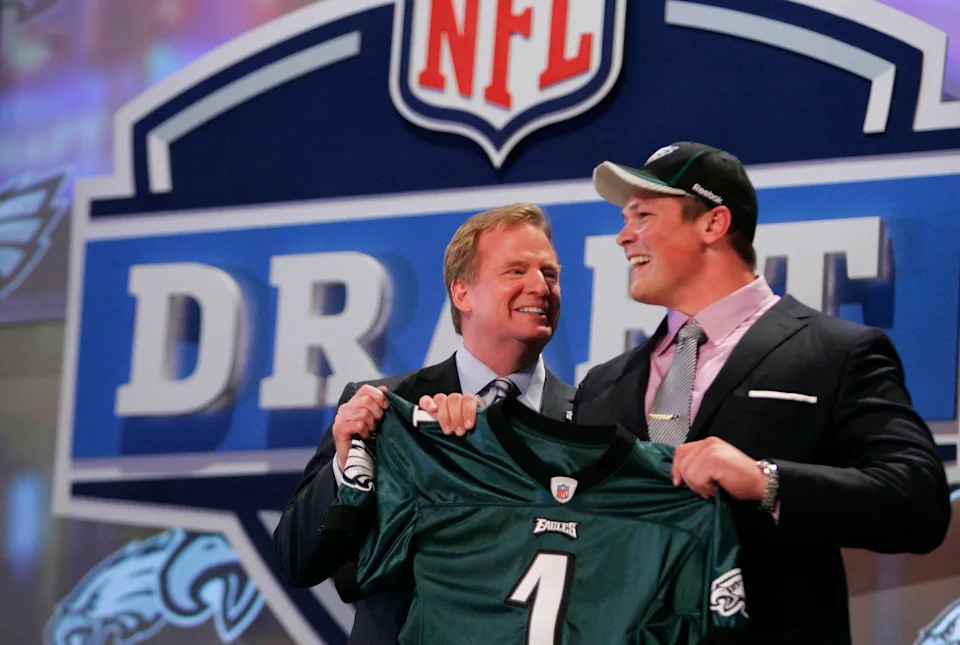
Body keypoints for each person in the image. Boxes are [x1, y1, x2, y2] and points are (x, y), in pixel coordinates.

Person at [572, 141, 951, 643]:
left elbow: (918, 503)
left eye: (643, 215)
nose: (623, 236)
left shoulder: (837, 353)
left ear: (713, 223)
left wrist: (765, 481)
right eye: (625, 218)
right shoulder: (602, 385)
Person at [272, 203, 576, 645]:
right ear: (462, 293)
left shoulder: (592, 417)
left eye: (550, 273)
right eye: (516, 271)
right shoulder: (383, 410)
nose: (540, 286)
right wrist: (344, 467)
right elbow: (297, 560)